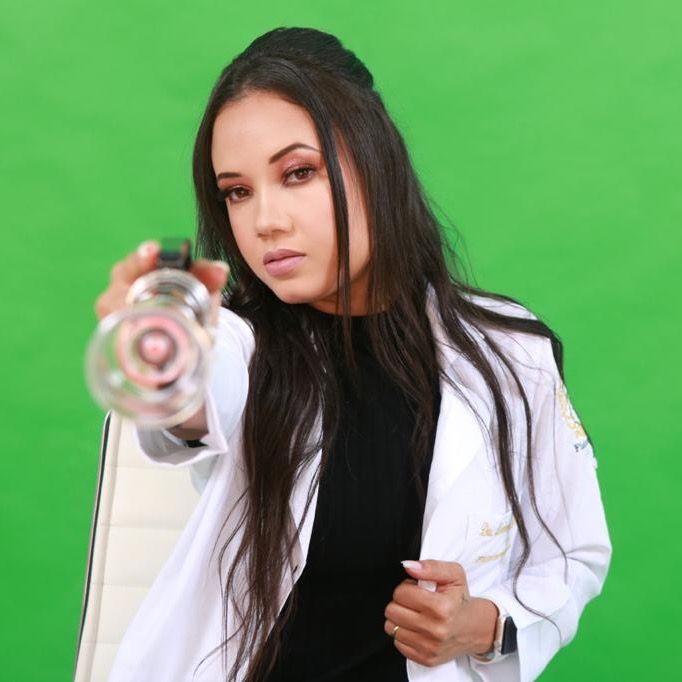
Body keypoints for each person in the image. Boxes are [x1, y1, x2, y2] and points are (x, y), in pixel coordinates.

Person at [95, 26, 611, 682]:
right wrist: (165, 353)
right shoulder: (240, 342)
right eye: (237, 191)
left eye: (298, 173)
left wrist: (484, 624)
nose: (264, 221)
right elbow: (197, 396)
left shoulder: (512, 353)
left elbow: (573, 554)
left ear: (375, 161)